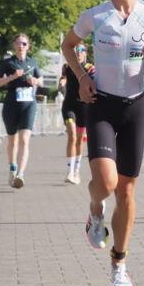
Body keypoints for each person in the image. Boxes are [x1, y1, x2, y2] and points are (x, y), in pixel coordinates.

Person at [62, 0, 144, 286]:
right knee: (106, 184)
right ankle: (95, 211)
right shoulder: (96, 16)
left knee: (127, 190)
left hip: (135, 107)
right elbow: (69, 44)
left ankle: (119, 264)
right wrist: (81, 77)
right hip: (102, 105)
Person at [0, 33, 41, 188]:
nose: (21, 46)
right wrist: (11, 77)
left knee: (25, 139)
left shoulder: (33, 62)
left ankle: (20, 174)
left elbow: (40, 79)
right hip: (12, 104)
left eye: (24, 44)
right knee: (13, 139)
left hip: (29, 104)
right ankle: (12, 168)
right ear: (14, 46)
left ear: (28, 46)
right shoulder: (7, 63)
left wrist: (35, 81)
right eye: (18, 43)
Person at [59, 44, 94, 184]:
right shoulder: (67, 67)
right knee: (72, 136)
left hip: (84, 107)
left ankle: (76, 171)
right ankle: (69, 172)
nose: (78, 53)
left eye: (81, 51)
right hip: (69, 106)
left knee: (80, 139)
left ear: (85, 53)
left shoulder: (90, 68)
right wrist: (61, 83)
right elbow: (63, 78)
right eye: (75, 50)